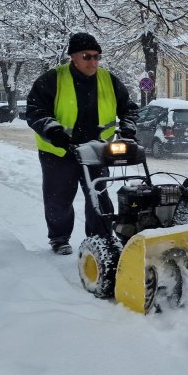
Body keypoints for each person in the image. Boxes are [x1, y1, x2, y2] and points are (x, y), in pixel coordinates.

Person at [26, 33, 139, 255]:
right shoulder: (52, 80)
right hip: (59, 151)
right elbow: (34, 111)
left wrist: (128, 128)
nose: (93, 62)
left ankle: (100, 239)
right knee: (59, 198)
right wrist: (54, 131)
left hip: (96, 150)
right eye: (87, 56)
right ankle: (59, 238)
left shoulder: (108, 80)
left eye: (97, 57)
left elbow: (130, 108)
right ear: (73, 57)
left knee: (98, 194)